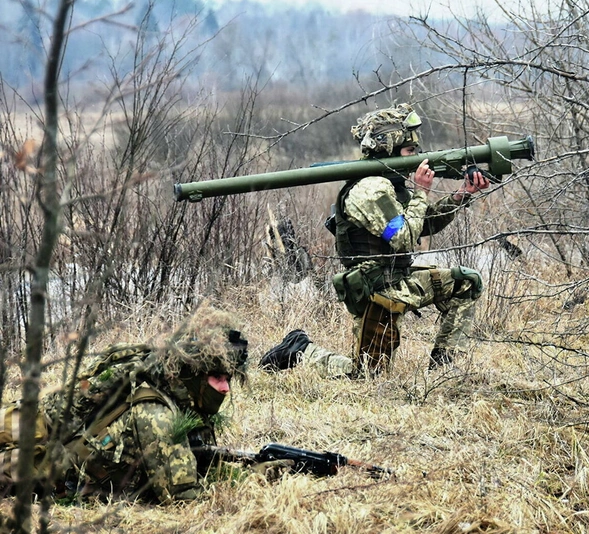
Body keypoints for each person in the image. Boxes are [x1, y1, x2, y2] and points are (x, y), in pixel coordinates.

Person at [261, 103, 489, 377]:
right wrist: (421, 192)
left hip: (401, 280)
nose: (416, 157)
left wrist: (461, 194)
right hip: (377, 291)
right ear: (388, 150)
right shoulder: (369, 190)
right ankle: (301, 350)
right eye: (409, 151)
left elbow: (423, 224)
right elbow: (404, 237)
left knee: (466, 282)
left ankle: (442, 372)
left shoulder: (391, 182)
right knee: (367, 376)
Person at [32, 306, 250, 503]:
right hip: (55, 485)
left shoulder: (184, 400)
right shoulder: (157, 414)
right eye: (218, 378)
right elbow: (183, 499)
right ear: (194, 376)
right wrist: (248, 487)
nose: (225, 389)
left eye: (228, 379)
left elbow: (197, 457)